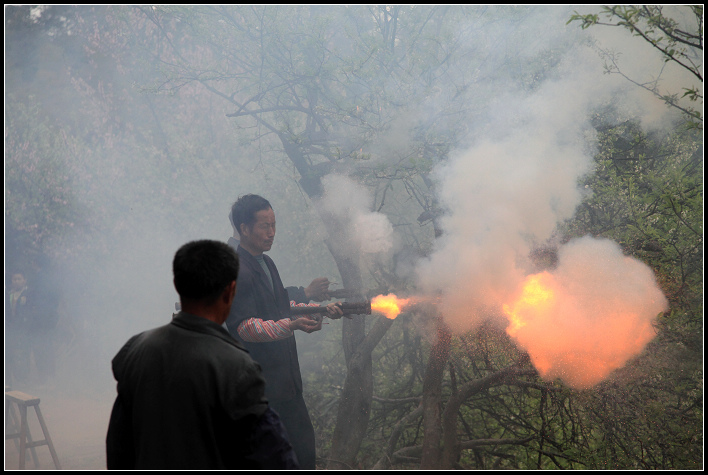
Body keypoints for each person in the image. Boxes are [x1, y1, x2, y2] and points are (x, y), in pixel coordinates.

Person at [106, 240, 298, 470]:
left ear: (177, 284)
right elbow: (273, 457)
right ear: (230, 291)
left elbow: (118, 447)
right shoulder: (236, 365)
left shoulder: (136, 350)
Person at [226, 194, 342, 470]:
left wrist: (318, 310)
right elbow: (245, 326)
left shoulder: (267, 263)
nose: (271, 233)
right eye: (265, 226)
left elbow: (280, 306)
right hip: (260, 391)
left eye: (274, 225)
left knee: (303, 456)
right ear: (244, 229)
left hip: (287, 386)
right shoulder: (237, 269)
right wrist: (291, 326)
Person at [6, 269, 31, 385]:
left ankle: (24, 377)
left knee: (23, 353)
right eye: (14, 279)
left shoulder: (28, 294)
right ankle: (12, 378)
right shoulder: (9, 294)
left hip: (24, 328)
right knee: (11, 353)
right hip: (11, 328)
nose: (16, 281)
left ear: (24, 280)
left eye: (19, 279)